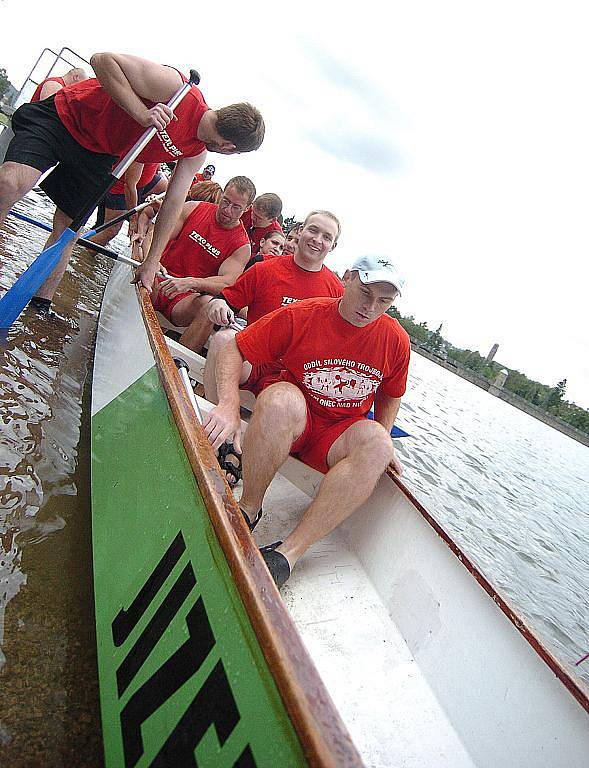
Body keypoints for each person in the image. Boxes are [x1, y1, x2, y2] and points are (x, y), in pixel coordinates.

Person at [203, 255, 410, 587]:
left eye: (383, 301)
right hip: (294, 420)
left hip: (337, 436)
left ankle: (288, 553)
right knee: (280, 399)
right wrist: (228, 403)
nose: (370, 307)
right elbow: (234, 349)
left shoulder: (396, 340)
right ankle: (250, 507)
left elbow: (392, 392)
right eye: (365, 293)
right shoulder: (304, 314)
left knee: (379, 444)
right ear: (348, 278)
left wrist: (385, 435)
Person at [0, 52, 265, 307]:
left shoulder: (195, 153)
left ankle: (39, 305)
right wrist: (141, 113)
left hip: (98, 152)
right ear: (231, 148)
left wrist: (151, 261)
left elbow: (173, 204)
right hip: (65, 115)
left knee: (69, 231)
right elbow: (102, 60)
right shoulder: (177, 89)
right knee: (12, 183)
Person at [202, 210, 343, 401]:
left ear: (333, 246)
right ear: (301, 231)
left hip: (292, 377)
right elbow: (223, 300)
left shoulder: (336, 293)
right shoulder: (264, 268)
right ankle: (211, 415)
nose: (317, 240)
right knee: (222, 339)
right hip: (251, 358)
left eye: (326, 237)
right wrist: (218, 306)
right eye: (313, 230)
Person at [149, 176, 255, 348]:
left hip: (185, 298)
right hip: (158, 277)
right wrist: (151, 260)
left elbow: (228, 283)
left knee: (210, 305)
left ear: (247, 209)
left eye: (236, 207)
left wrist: (191, 282)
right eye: (225, 201)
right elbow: (156, 234)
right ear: (221, 195)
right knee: (149, 274)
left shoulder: (241, 245)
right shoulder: (193, 208)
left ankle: (178, 362)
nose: (227, 210)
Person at [92, 161, 168, 246]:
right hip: (121, 186)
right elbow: (129, 185)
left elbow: (158, 157)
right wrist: (133, 218)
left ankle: (141, 234)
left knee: (164, 187)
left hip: (143, 182)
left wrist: (159, 171)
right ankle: (84, 249)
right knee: (111, 230)